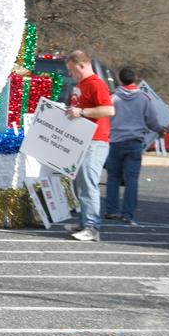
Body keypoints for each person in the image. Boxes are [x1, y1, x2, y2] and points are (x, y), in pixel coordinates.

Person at [62, 50, 115, 242]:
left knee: (88, 184)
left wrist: (81, 111)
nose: (70, 73)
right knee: (79, 184)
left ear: (82, 65)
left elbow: (109, 109)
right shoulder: (82, 84)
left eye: (71, 69)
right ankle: (85, 223)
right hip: (82, 140)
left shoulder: (96, 84)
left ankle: (92, 227)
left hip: (95, 141)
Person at [104, 67, 166, 226]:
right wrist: (160, 129)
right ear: (135, 80)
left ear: (120, 80)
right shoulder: (144, 98)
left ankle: (111, 210)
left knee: (113, 177)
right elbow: (151, 121)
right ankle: (128, 214)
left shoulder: (113, 97)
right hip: (134, 142)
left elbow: (105, 117)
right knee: (132, 180)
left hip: (115, 141)